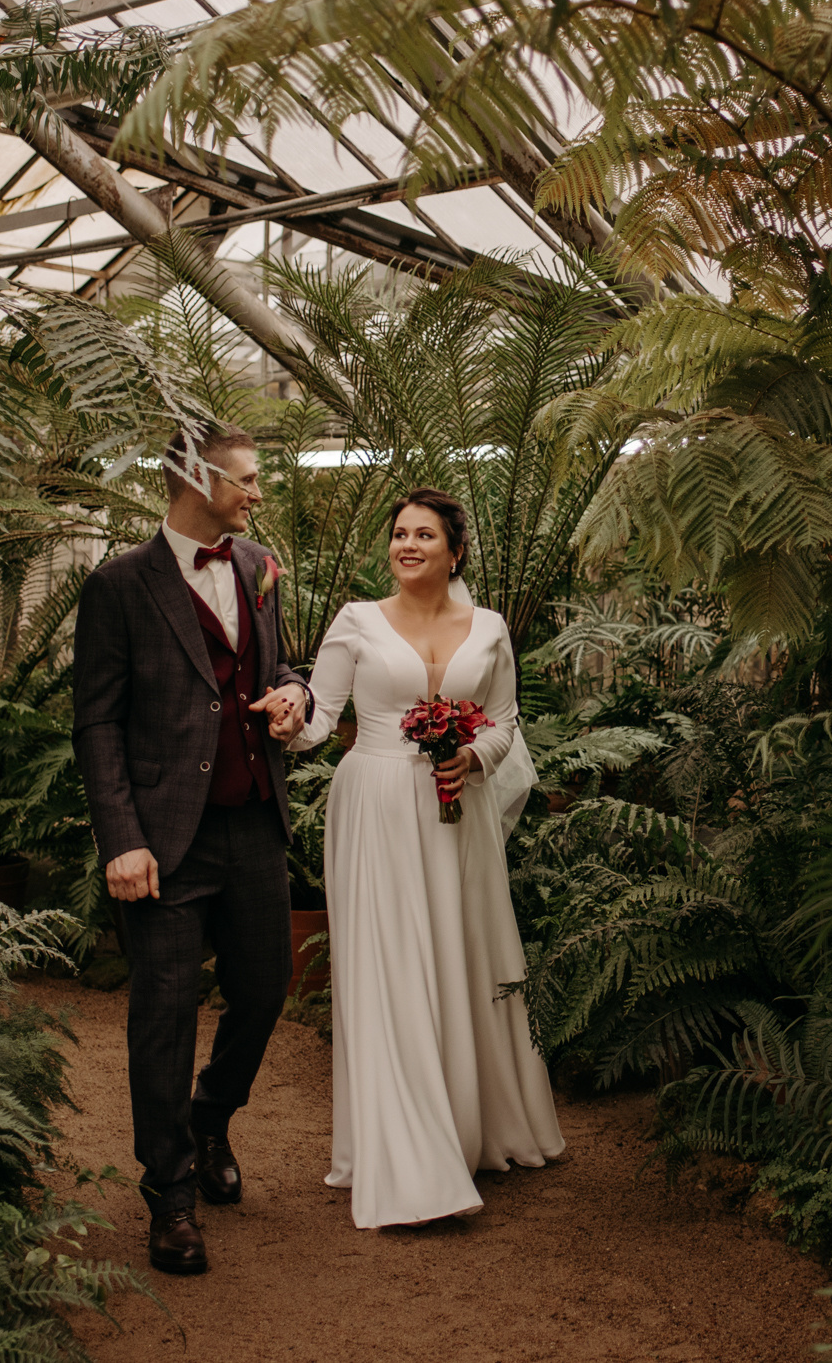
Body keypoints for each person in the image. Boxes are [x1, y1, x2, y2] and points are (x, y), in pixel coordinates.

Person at [283, 487, 566, 1228]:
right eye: (399, 534)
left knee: (459, 953)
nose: (407, 545)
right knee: (391, 965)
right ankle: (411, 1157)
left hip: (458, 812)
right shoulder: (356, 621)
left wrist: (472, 757)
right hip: (375, 805)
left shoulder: (490, 628)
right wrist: (288, 719)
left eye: (424, 535)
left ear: (456, 551)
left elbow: (504, 721)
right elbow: (320, 717)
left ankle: (471, 1122)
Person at [72, 422, 312, 1276]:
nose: (258, 493)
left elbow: (285, 668)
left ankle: (210, 1117)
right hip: (165, 841)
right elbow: (97, 723)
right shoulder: (118, 585)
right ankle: (170, 1195)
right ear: (198, 480)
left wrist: (293, 696)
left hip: (254, 824)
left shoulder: (259, 566)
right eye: (248, 479)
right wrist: (123, 840)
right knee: (164, 1016)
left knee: (265, 989)